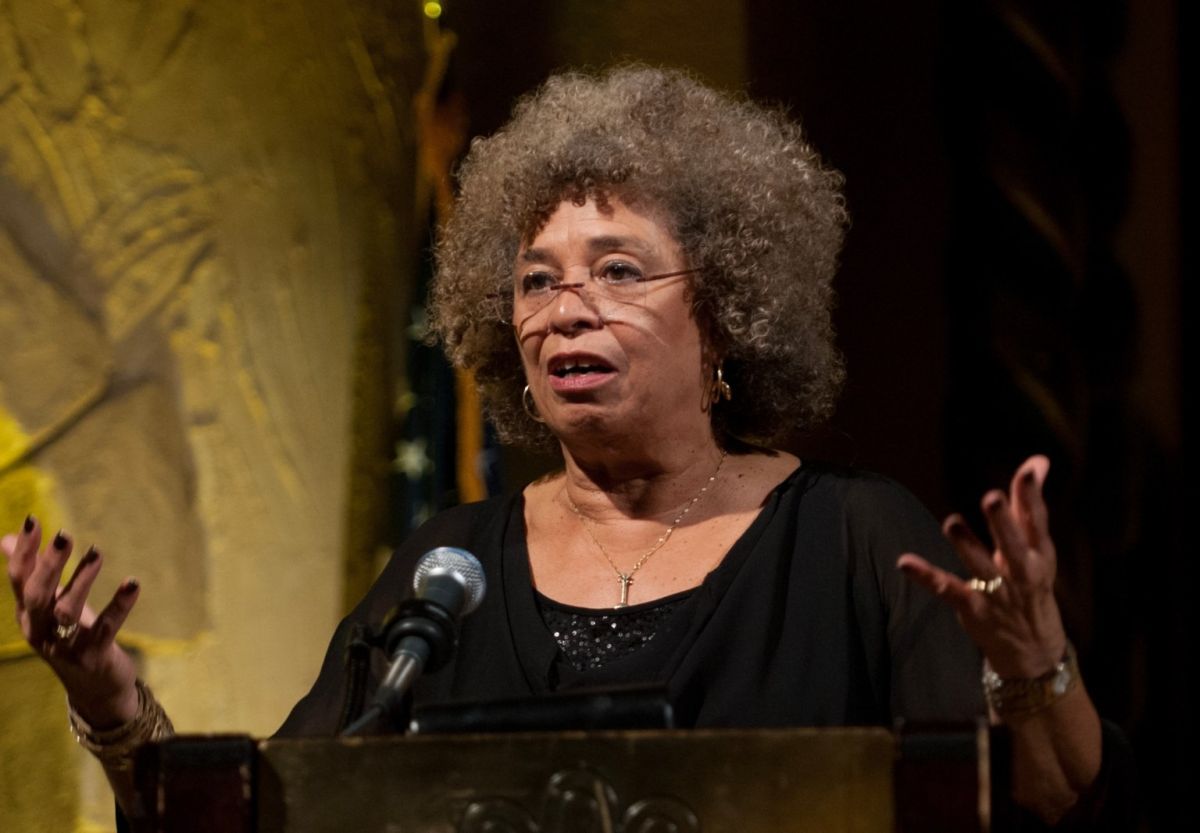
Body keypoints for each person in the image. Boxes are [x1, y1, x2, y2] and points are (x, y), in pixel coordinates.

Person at [2, 65, 1133, 829]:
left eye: (619, 271)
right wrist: (112, 699)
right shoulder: (449, 572)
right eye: (535, 280)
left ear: (729, 311)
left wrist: (1036, 664)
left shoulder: (854, 538)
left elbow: (1047, 799)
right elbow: (267, 810)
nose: (562, 309)